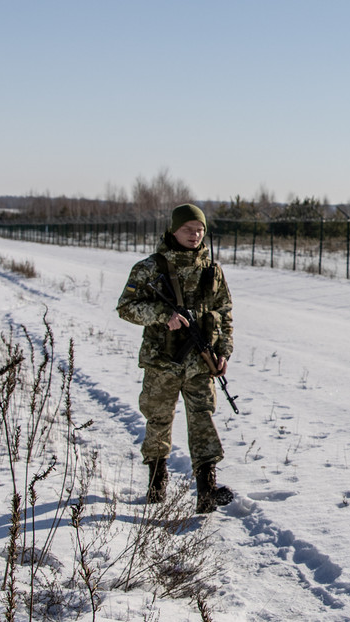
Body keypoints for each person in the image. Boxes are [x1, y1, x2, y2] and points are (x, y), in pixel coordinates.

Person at [117, 203, 234, 514]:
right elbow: (126, 307)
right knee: (158, 419)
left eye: (200, 230)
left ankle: (207, 490)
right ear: (173, 230)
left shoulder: (212, 270)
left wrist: (223, 351)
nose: (195, 235)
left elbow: (224, 312)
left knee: (203, 419)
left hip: (200, 362)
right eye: (188, 229)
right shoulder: (150, 267)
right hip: (162, 361)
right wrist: (162, 315)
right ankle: (157, 481)